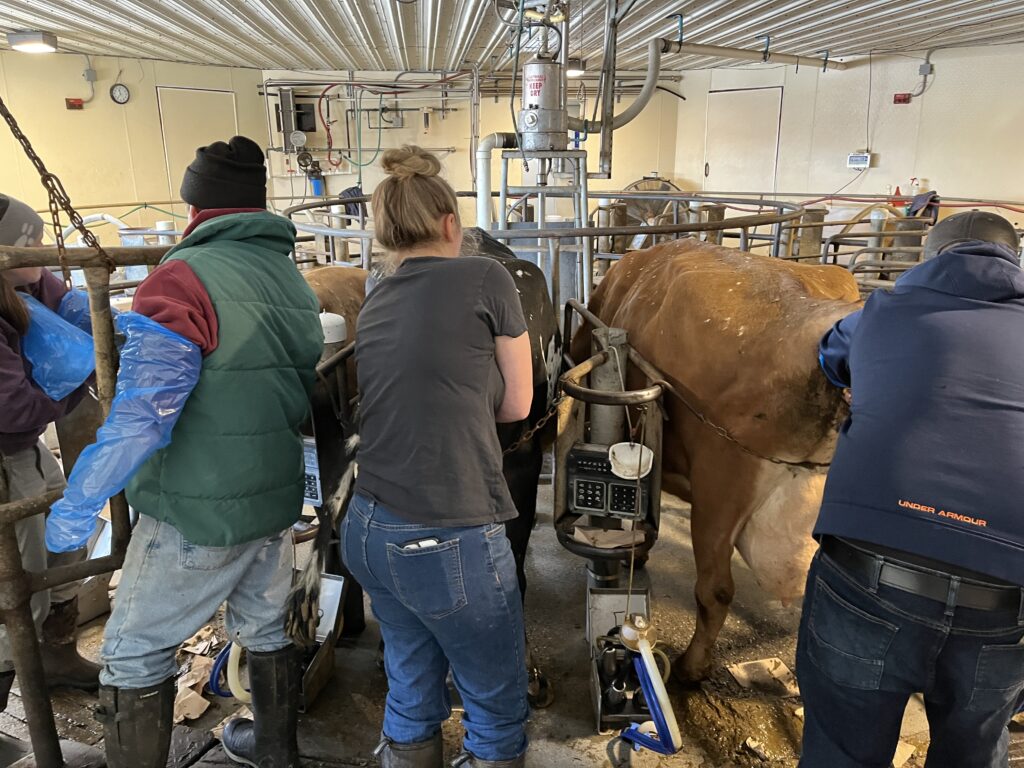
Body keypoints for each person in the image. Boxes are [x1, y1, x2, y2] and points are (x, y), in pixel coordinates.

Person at [44, 136, 324, 768]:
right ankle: (277, 755)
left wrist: (81, 498)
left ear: (195, 208)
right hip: (275, 498)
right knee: (267, 628)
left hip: (198, 510)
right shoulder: (290, 280)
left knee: (134, 651)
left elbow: (145, 411)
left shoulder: (181, 277)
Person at [798, 210, 1024, 768]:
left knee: (841, 752)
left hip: (869, 570)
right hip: (1006, 595)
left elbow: (832, 358)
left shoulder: (881, 312)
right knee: (974, 754)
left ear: (929, 259)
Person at [341, 146, 533, 768]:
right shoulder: (488, 277)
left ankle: (406, 754)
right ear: (452, 223)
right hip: (448, 533)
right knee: (495, 696)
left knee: (411, 670)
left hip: (367, 528)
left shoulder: (377, 292)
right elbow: (519, 405)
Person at [0, 194, 102, 703]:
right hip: (4, 454)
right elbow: (13, 408)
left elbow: (62, 297)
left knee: (67, 530)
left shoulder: (24, 282)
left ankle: (56, 654)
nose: (38, 250)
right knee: (15, 578)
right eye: (27, 244)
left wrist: (95, 315)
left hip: (26, 448)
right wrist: (75, 382)